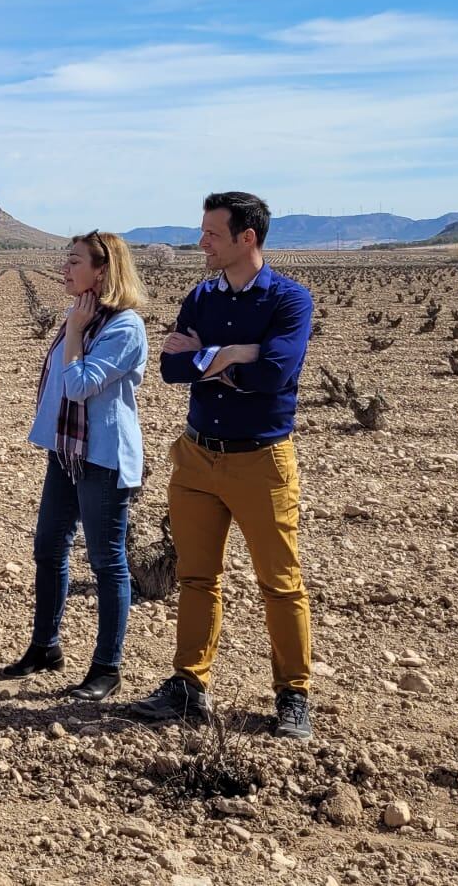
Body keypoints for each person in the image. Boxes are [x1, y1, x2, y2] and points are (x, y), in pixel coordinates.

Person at [129, 192, 316, 741]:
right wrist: (239, 353)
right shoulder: (202, 295)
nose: (201, 243)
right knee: (195, 577)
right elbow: (170, 366)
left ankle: (293, 694)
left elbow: (275, 374)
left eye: (211, 233)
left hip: (260, 460)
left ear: (246, 238)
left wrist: (213, 356)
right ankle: (189, 684)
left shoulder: (289, 300)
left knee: (279, 583)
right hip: (196, 457)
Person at [0, 231, 149, 701]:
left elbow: (79, 384)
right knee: (48, 546)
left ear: (102, 271)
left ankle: (107, 667)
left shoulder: (124, 327)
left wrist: (77, 335)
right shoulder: (78, 315)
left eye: (75, 261)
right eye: (66, 259)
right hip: (65, 452)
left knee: (107, 562)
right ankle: (46, 646)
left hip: (101, 459)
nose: (65, 268)